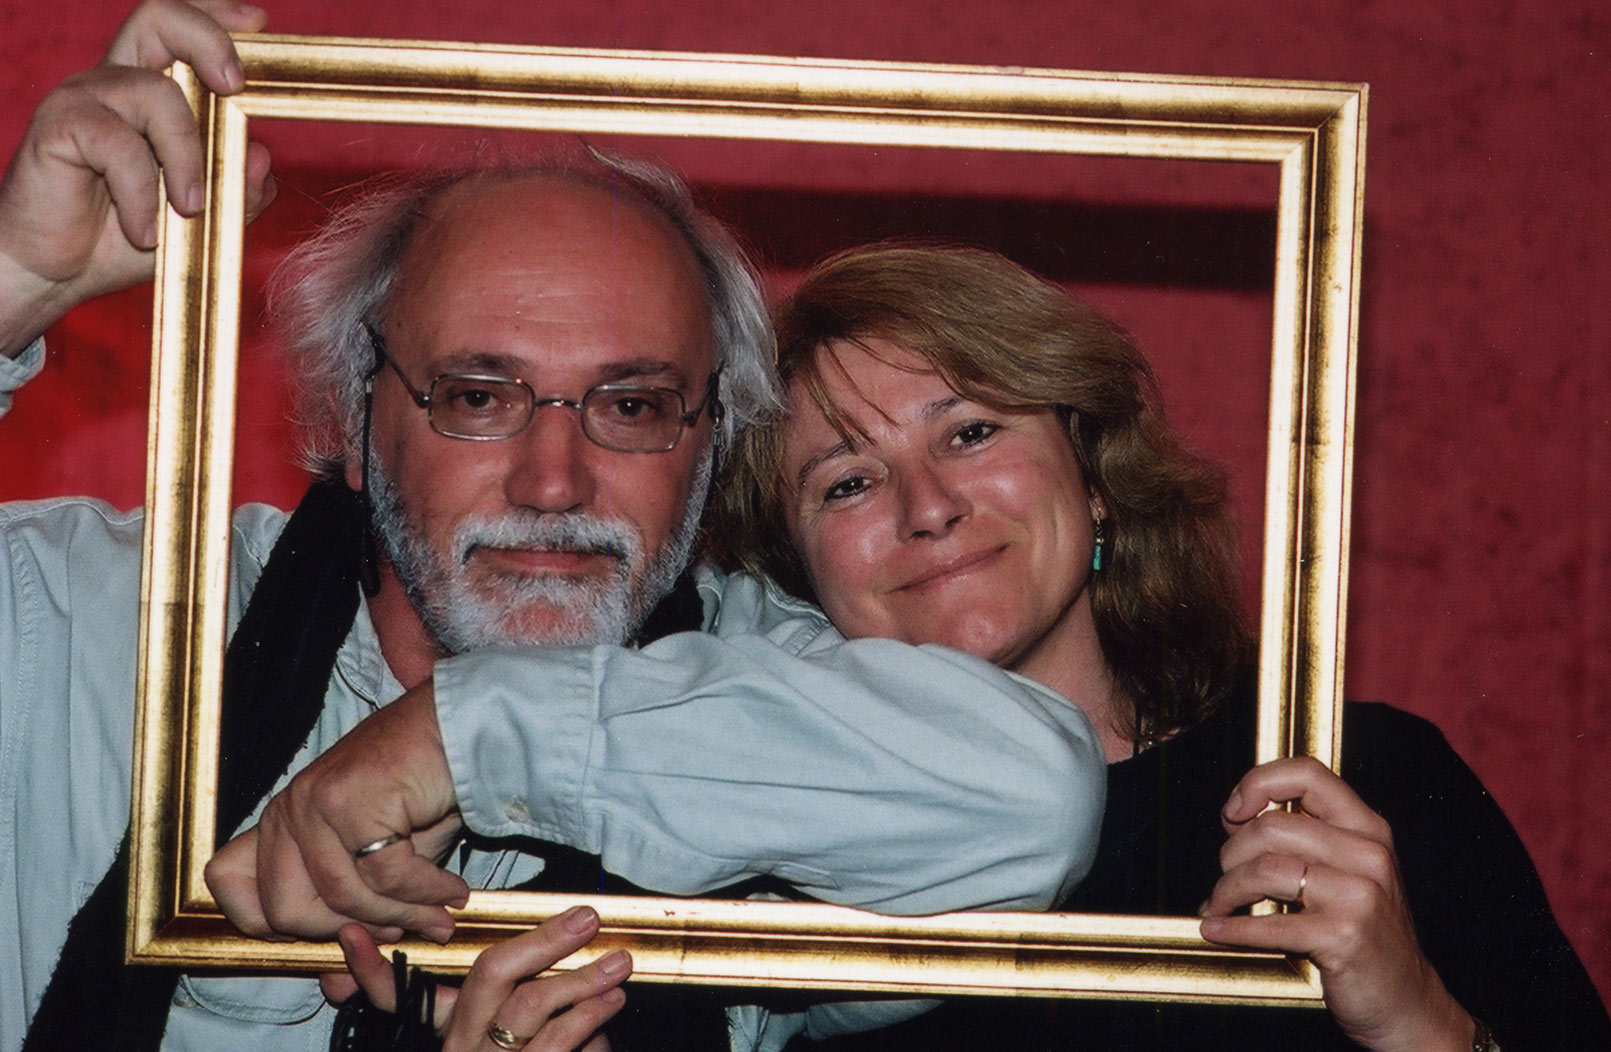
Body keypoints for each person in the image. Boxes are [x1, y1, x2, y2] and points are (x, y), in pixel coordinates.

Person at [0, 5, 1106, 1051]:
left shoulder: (769, 681)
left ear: (709, 444)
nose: (553, 480)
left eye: (632, 406)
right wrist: (12, 281)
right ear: (349, 417)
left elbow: (1032, 801)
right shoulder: (94, 624)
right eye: (479, 396)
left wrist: (468, 738)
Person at [712, 243, 1611, 1052]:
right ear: (796, 567)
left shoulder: (1356, 781)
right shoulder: (760, 866)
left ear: (1093, 473)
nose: (928, 506)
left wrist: (1416, 1019)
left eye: (971, 432)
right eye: (849, 482)